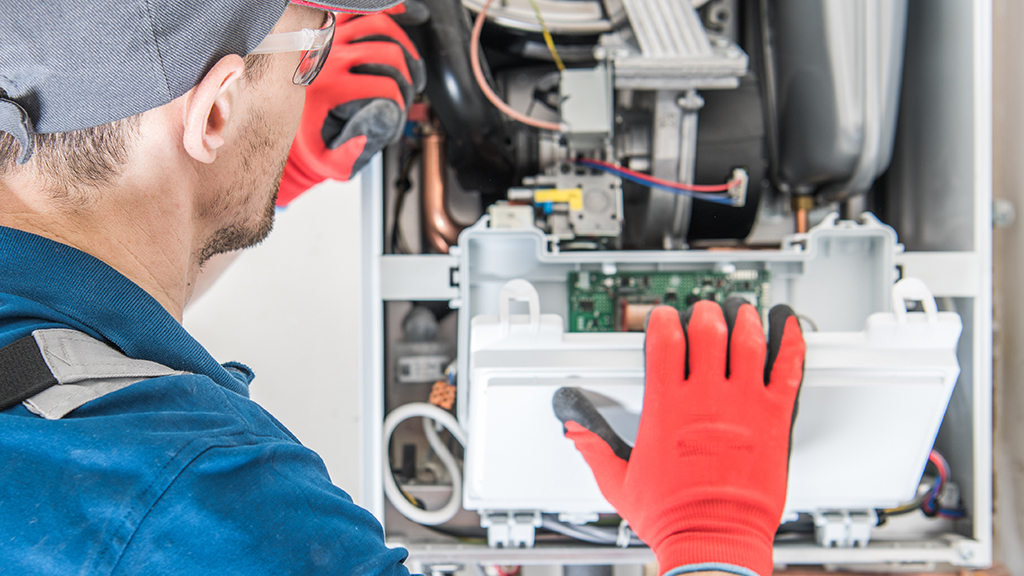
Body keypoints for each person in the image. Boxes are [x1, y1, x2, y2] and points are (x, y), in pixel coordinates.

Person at [0, 1, 805, 575]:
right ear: (212, 115)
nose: (313, 80)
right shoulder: (210, 511)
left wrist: (235, 184)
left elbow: (65, 348)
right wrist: (714, 541)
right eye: (311, 50)